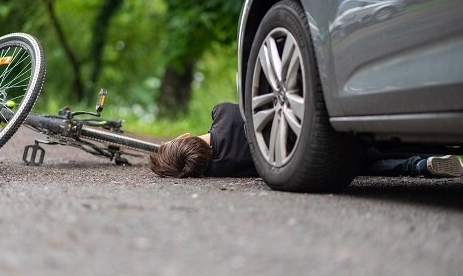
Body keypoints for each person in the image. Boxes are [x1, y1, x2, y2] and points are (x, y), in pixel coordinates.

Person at [149, 102, 463, 179]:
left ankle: (419, 166)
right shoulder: (224, 113)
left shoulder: (220, 169)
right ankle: (433, 146)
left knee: (368, 166)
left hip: (320, 157)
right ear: (184, 136)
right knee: (386, 141)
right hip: (315, 133)